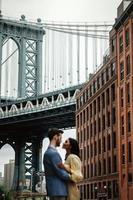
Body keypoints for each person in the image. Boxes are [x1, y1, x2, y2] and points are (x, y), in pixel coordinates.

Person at [43, 128, 71, 200]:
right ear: (55, 137)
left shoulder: (47, 152)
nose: (61, 141)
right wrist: (73, 176)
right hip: (59, 191)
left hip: (54, 190)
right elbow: (61, 172)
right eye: (60, 138)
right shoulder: (53, 153)